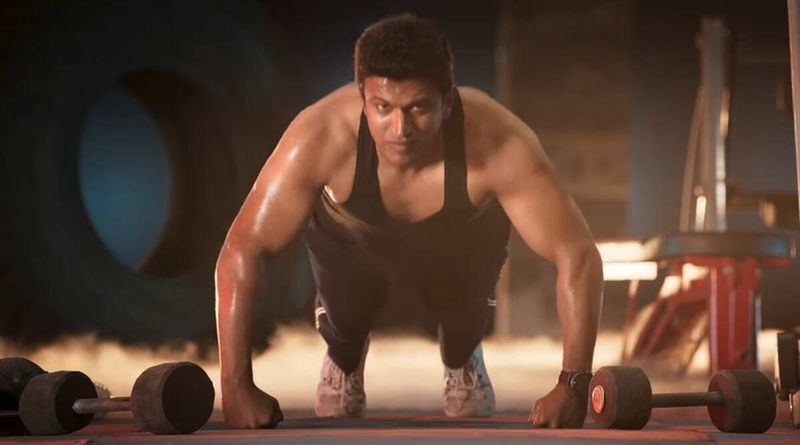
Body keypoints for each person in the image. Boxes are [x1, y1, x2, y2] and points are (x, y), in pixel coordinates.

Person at [215, 14, 603, 429]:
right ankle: (344, 359)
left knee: (465, 320)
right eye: (383, 107)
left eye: (418, 107)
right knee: (344, 323)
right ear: (362, 97)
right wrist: (235, 386)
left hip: (457, 249)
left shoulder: (498, 140)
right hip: (352, 248)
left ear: (447, 102)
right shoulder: (320, 135)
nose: (400, 129)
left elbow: (577, 253)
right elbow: (243, 248)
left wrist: (573, 384)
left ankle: (463, 353)